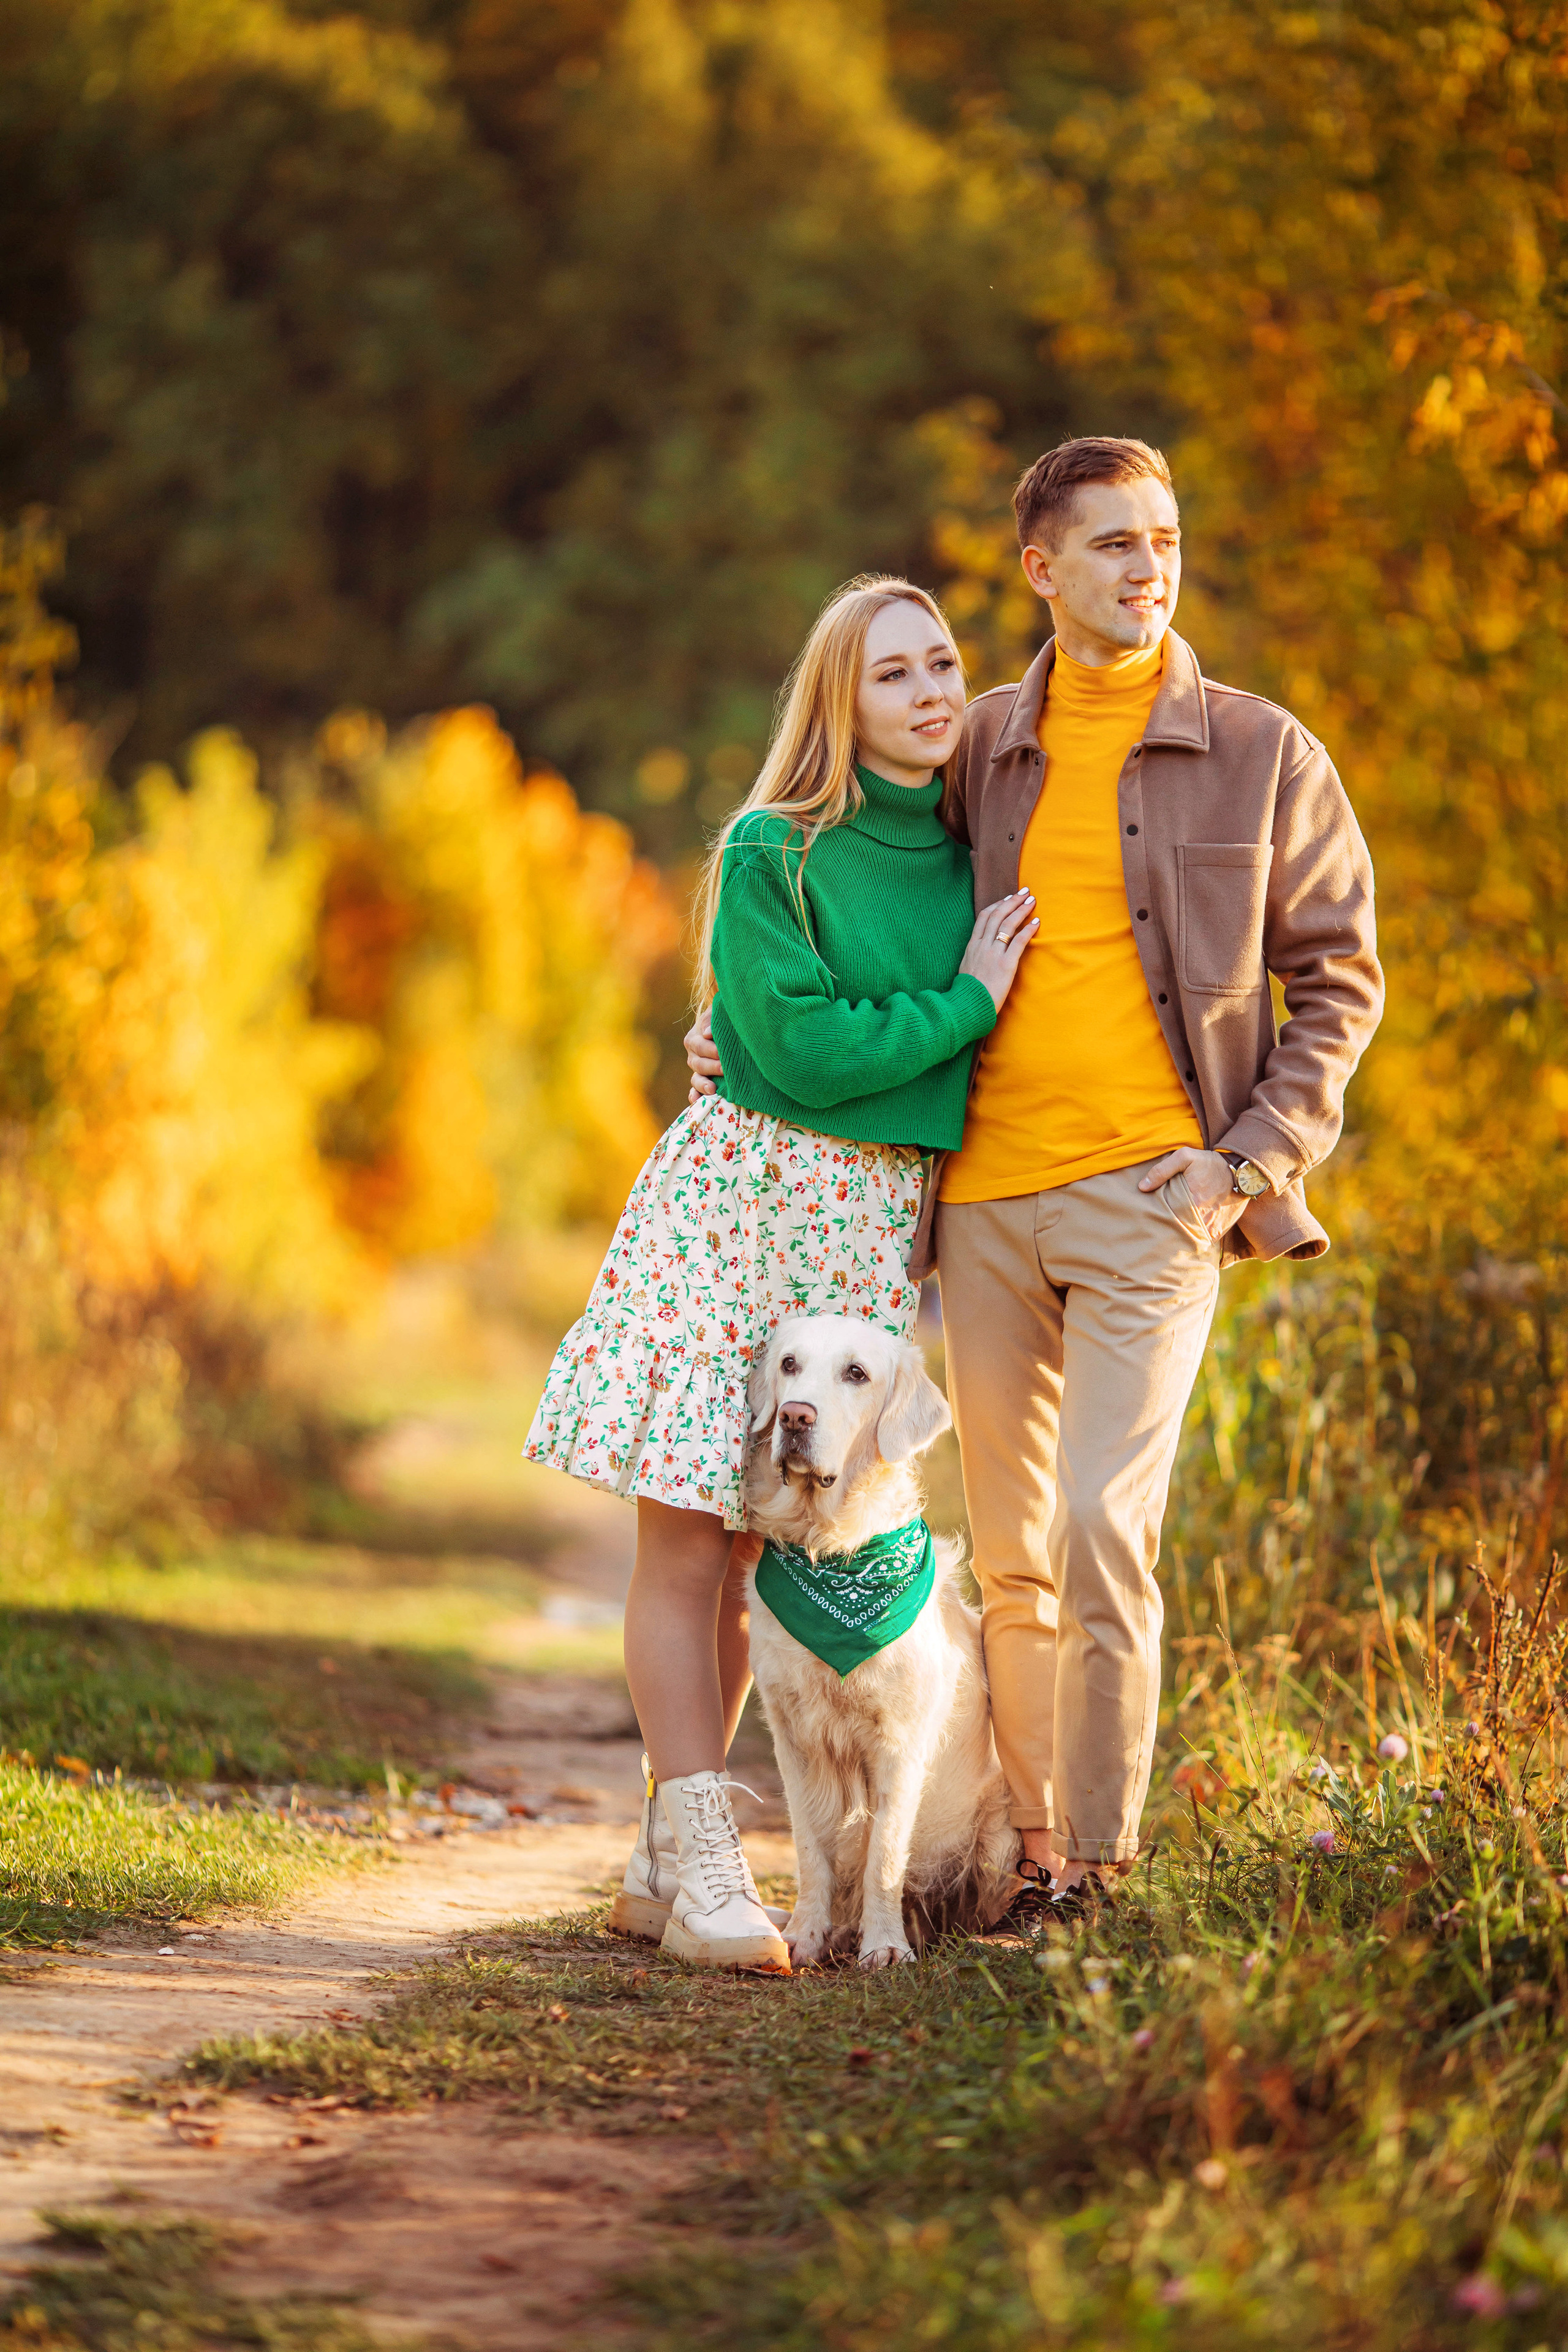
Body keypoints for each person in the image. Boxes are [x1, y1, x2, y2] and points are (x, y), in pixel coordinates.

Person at [687, 435, 1384, 1920]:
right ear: (1041, 569)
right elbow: (860, 897)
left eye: (1164, 538)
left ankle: (1103, 1866)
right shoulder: (987, 742)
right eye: (1116, 543)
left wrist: (1241, 1162)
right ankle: (1019, 1860)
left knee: (1098, 1531)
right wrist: (733, 1030)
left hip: (1159, 1202)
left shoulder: (1266, 753)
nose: (1149, 566)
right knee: (1007, 1557)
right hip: (985, 1209)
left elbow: (1339, 985)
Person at [524, 575, 1036, 1969]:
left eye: (943, 665)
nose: (930, 691)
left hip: (866, 1229)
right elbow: (800, 1054)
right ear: (839, 700)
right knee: (691, 1535)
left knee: (765, 1544)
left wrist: (941, 1036)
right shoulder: (773, 850)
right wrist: (961, 1006)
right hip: (738, 1211)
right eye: (892, 674)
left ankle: (652, 1860)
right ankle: (698, 1861)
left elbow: (905, 1071)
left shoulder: (975, 861)